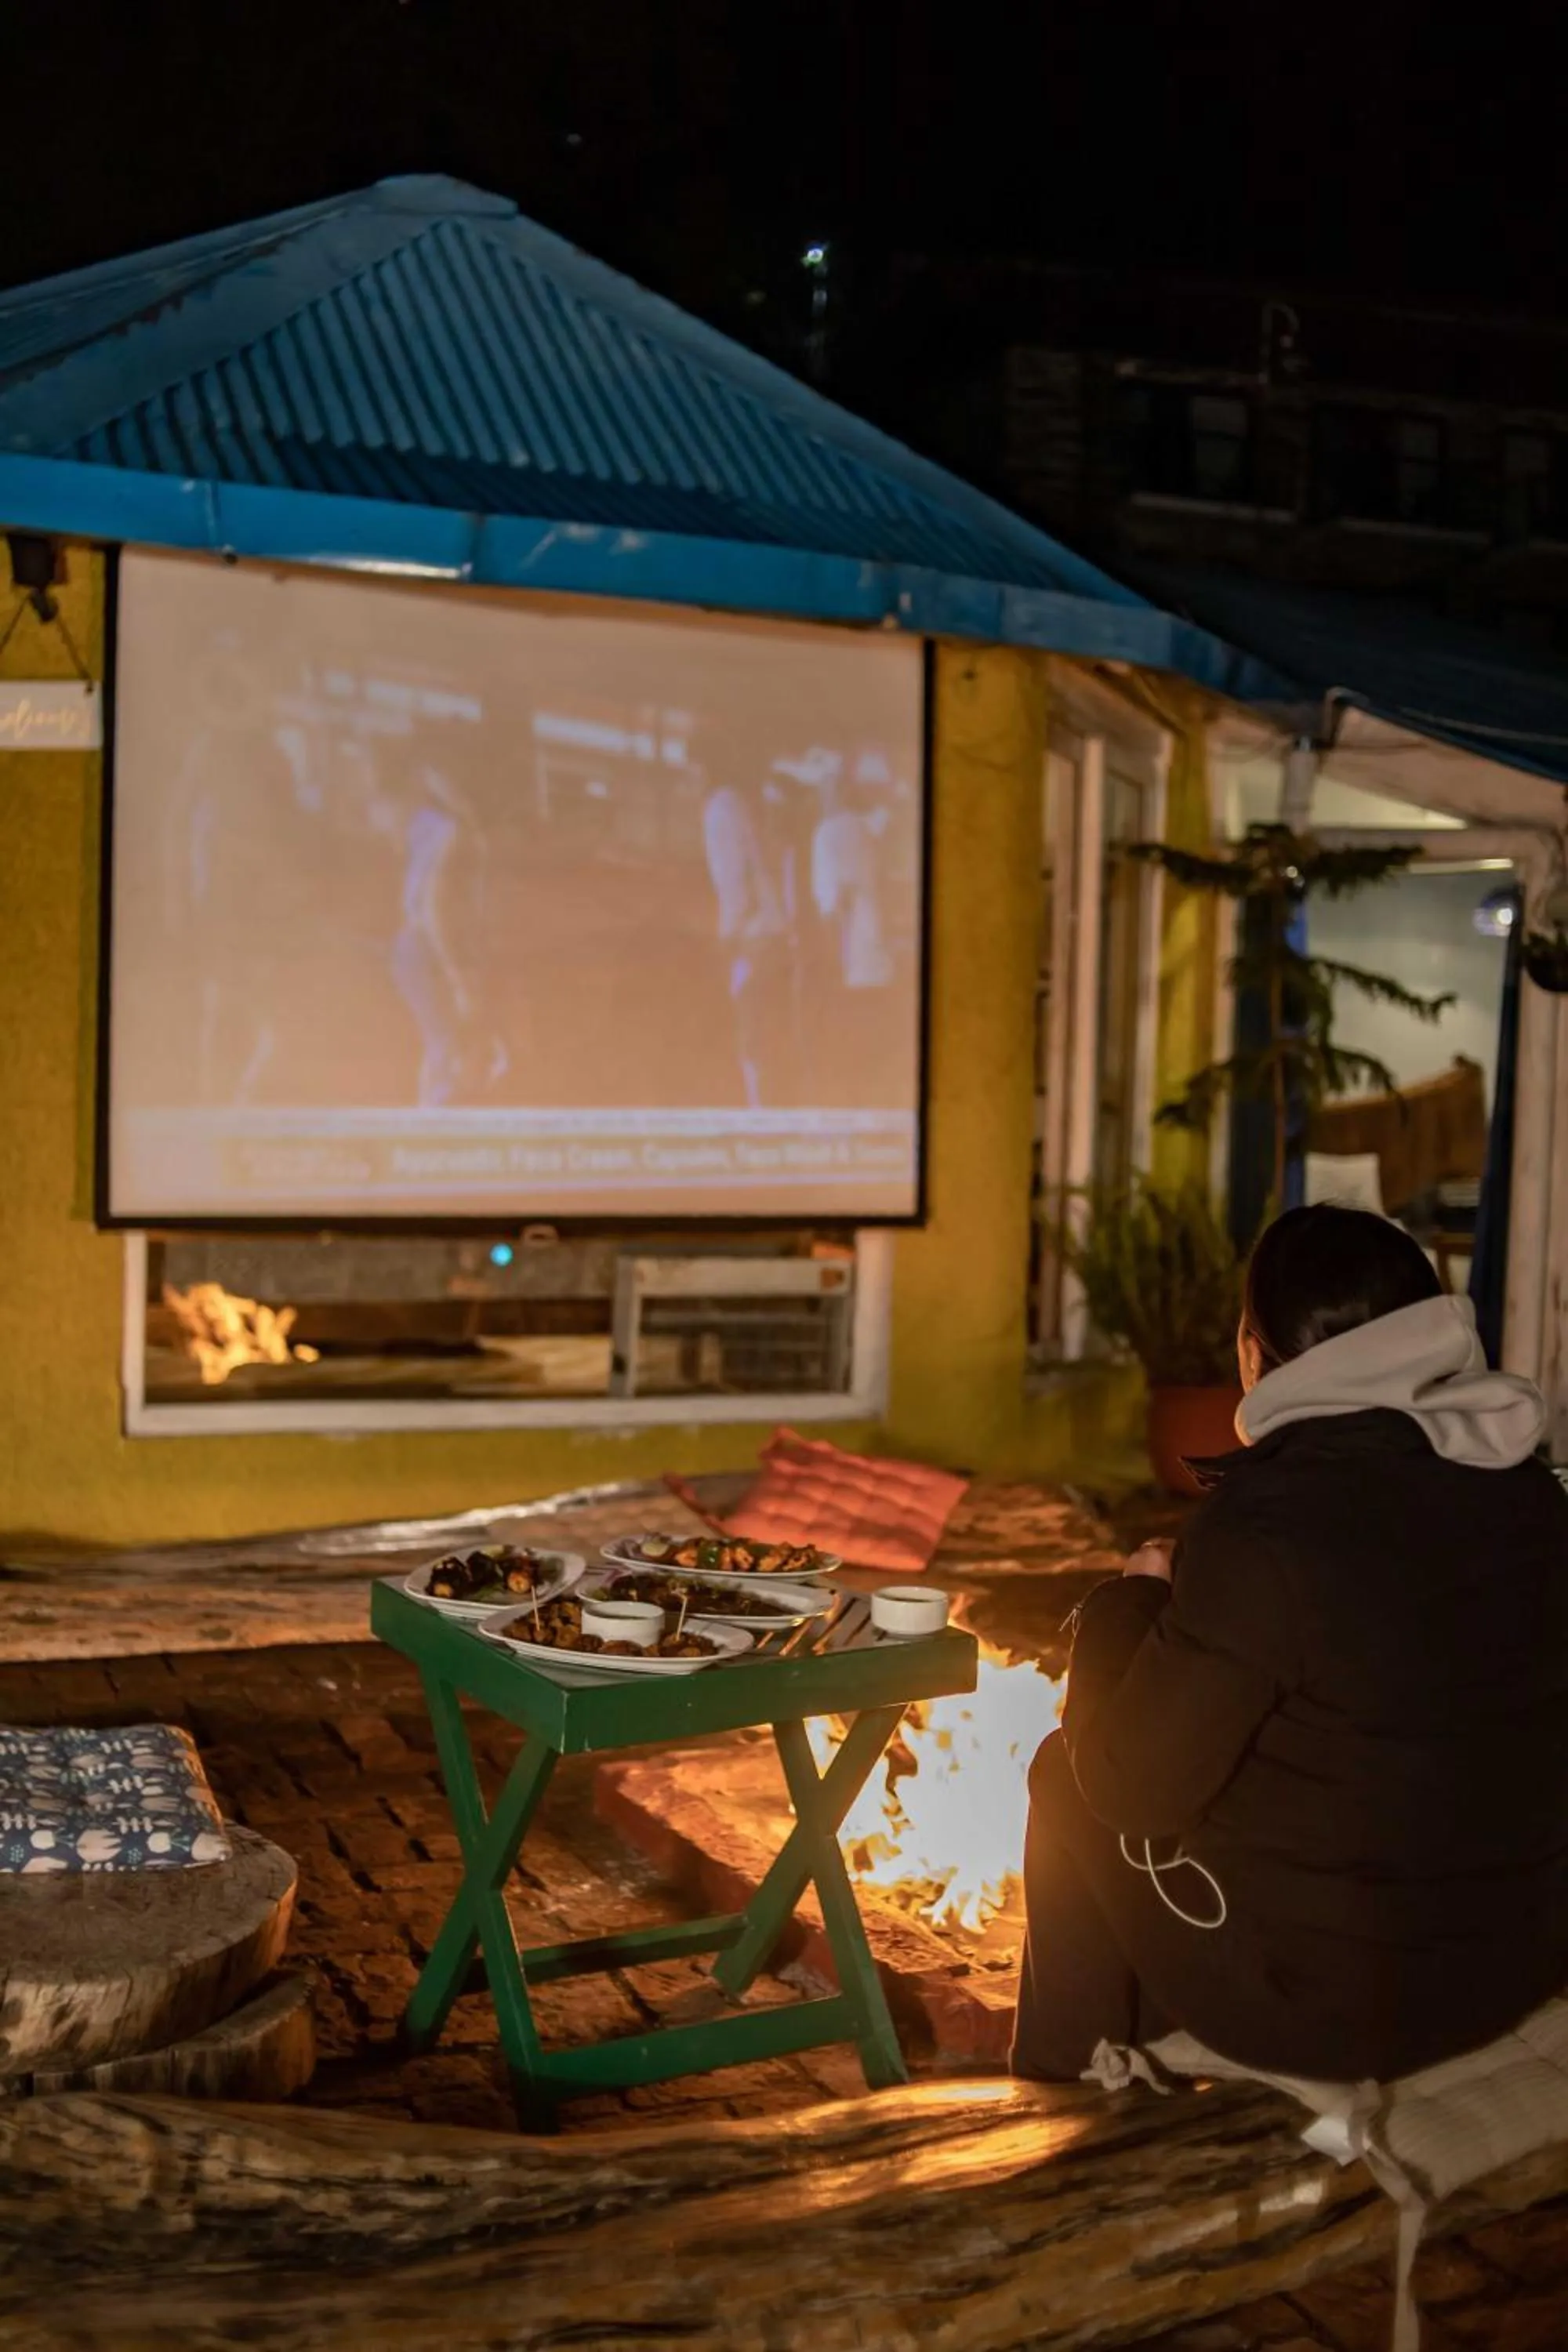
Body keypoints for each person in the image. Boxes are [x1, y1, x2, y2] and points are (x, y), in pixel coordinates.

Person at [1011, 1203, 1568, 2089]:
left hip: (1351, 2006)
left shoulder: (1270, 1525)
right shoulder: (1527, 1489)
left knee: (1069, 1780)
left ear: (1250, 1351)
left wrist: (1130, 1600)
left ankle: (1061, 2096)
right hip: (1512, 1964)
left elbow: (1131, 1789)